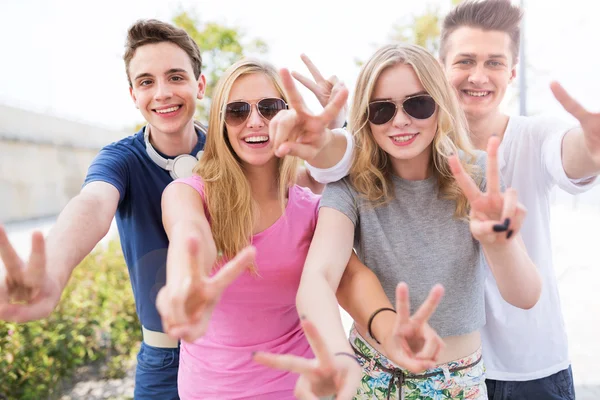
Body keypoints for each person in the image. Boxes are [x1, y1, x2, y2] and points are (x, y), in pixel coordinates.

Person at [0, 20, 351, 399]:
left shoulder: (241, 146)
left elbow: (307, 181)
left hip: (249, 359)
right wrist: (53, 269)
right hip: (166, 354)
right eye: (147, 82)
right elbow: (91, 206)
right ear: (133, 94)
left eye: (175, 76)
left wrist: (333, 127)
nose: (163, 93)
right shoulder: (122, 160)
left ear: (199, 86)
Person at [258, 43, 542, 400]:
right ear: (366, 118)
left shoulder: (477, 178)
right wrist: (337, 356)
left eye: (417, 104)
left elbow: (526, 295)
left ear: (440, 105)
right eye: (382, 110)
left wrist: (500, 243)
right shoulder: (350, 185)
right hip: (370, 376)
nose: (401, 120)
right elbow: (319, 275)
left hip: (459, 382)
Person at [155, 57, 360, 399]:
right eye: (237, 111)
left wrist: (380, 327)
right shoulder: (188, 193)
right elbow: (189, 235)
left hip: (300, 387)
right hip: (210, 391)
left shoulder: (311, 205)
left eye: (269, 108)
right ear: (221, 122)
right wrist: (185, 281)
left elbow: (350, 276)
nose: (255, 122)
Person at [438, 1, 600, 398]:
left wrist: (593, 146)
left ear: (511, 72)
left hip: (533, 371)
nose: (478, 76)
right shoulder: (414, 142)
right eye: (465, 61)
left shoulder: (537, 134)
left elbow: (570, 153)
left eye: (494, 63)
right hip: (446, 373)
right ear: (440, 67)